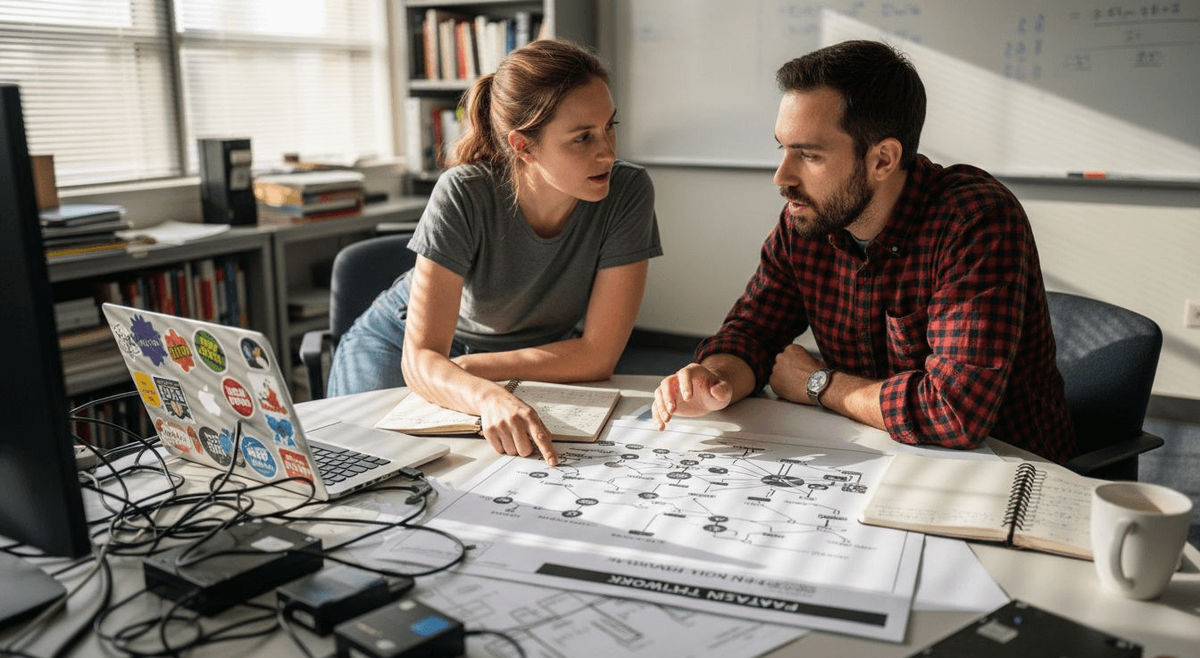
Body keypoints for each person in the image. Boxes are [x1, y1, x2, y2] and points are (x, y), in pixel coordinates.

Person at [652, 40, 1075, 463]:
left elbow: (954, 412)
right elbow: (751, 334)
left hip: (1005, 470)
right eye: (782, 148)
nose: (782, 177)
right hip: (880, 454)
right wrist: (714, 380)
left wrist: (819, 383)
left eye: (809, 155)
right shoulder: (808, 220)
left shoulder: (975, 220)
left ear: (883, 160)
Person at [327, 39, 662, 466]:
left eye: (610, 126)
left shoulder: (627, 191)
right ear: (523, 146)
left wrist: (467, 372)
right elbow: (423, 355)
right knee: (367, 464)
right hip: (400, 343)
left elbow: (597, 355)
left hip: (518, 354)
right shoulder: (464, 192)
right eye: (582, 138)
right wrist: (485, 394)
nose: (608, 152)